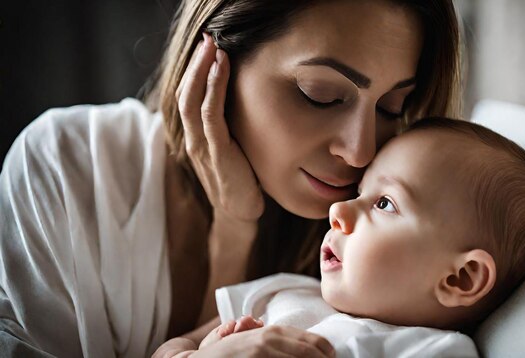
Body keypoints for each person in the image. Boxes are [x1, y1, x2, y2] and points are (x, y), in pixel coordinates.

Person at [0, 0, 462, 356]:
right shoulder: (68, 166)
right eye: (318, 94)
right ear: (214, 57)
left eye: (390, 109)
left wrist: (233, 232)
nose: (360, 151)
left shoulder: (379, 254)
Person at [155, 117, 525, 357]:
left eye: (384, 204)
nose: (339, 210)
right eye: (360, 192)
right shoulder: (285, 292)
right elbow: (169, 346)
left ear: (460, 278)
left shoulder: (430, 351)